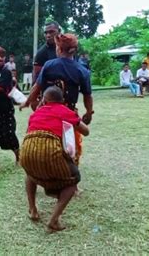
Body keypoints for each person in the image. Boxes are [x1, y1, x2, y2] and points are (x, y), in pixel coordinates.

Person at [21, 33, 93, 196]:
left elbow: (37, 88)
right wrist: (89, 112)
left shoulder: (49, 65)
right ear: (73, 50)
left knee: (40, 145)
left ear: (59, 48)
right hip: (68, 115)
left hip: (46, 113)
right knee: (71, 150)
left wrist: (27, 101)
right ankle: (70, 183)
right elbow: (88, 96)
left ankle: (40, 177)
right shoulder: (82, 70)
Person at [20, 86, 89, 233]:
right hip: (50, 151)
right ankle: (53, 220)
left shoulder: (36, 113)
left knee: (30, 174)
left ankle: (32, 209)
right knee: (73, 179)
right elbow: (86, 131)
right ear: (62, 100)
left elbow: (29, 132)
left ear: (44, 100)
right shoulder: (65, 111)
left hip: (27, 150)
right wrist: (74, 120)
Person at [31, 21, 61, 109]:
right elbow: (36, 76)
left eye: (51, 32)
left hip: (66, 95)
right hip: (49, 96)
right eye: (46, 33)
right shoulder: (41, 53)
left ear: (58, 31)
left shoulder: (66, 49)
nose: (48, 35)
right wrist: (34, 98)